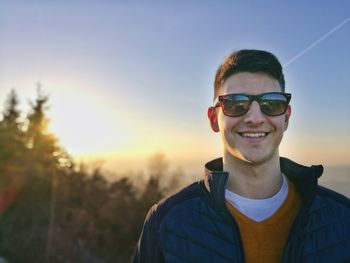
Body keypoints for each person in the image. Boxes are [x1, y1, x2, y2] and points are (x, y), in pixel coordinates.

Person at [133, 49, 350, 263]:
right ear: (213, 119)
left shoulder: (343, 218)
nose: (255, 118)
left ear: (286, 117)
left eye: (271, 103)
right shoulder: (166, 221)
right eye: (236, 104)